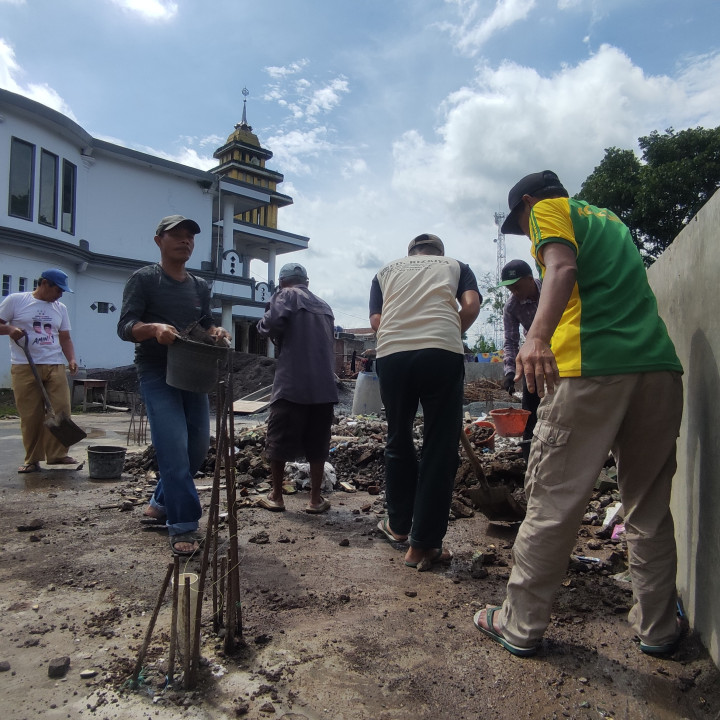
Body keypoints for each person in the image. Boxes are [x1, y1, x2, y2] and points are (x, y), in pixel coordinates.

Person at [473, 171, 684, 657]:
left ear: (529, 202)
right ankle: (658, 628)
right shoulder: (611, 221)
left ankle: (519, 624)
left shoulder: (550, 210)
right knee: (649, 506)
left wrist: (537, 337)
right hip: (657, 369)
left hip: (590, 372)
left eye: (521, 225)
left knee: (552, 503)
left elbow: (562, 267)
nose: (527, 234)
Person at [117, 215, 231, 556]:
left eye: (189, 237)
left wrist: (216, 332)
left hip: (193, 370)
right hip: (157, 371)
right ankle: (183, 523)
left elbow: (206, 322)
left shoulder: (199, 286)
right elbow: (125, 326)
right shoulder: (144, 279)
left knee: (196, 447)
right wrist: (154, 329)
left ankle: (160, 502)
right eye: (177, 235)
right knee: (172, 445)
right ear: (159, 241)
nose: (185, 241)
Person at [369, 234, 481, 569]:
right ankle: (424, 544)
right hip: (441, 352)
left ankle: (398, 525)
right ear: (438, 253)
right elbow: (471, 306)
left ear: (410, 254)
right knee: (439, 446)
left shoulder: (385, 272)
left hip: (392, 354)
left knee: (398, 436)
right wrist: (447, 332)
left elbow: (377, 321)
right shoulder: (456, 266)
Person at [256, 263, 339, 514]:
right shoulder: (325, 306)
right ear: (307, 282)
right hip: (324, 387)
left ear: (282, 282)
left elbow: (269, 326)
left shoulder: (285, 295)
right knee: (318, 443)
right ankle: (315, 500)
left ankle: (276, 496)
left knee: (279, 440)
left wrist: (266, 316)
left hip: (292, 384)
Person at [0, 269, 79, 472]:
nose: (60, 295)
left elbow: (65, 338)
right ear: (44, 283)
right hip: (24, 365)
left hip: (54, 364)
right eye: (58, 290)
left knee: (61, 409)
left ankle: (57, 454)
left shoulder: (60, 308)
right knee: (31, 415)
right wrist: (9, 329)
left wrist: (71, 358)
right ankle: (32, 459)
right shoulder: (16, 301)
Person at [498, 259, 542, 461]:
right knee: (530, 398)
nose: (514, 292)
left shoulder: (549, 289)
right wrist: (509, 372)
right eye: (510, 289)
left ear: (530, 279)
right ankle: (529, 444)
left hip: (564, 346)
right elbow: (510, 341)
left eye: (517, 287)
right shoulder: (511, 306)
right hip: (534, 353)